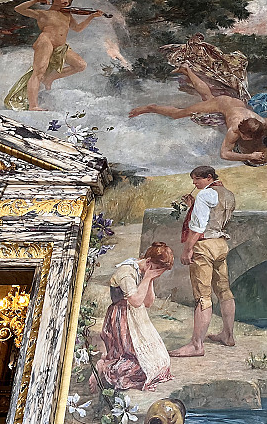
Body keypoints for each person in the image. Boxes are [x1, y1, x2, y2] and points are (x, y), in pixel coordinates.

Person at [128, 64, 267, 164]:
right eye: (245, 136)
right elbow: (224, 154)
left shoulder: (262, 122)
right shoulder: (234, 130)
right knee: (181, 113)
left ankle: (187, 69)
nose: (245, 139)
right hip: (222, 104)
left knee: (206, 95)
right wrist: (249, 156)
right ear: (241, 130)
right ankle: (151, 107)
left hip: (237, 104)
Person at [170, 166, 236, 357]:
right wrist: (193, 205)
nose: (194, 183)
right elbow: (215, 218)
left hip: (204, 246)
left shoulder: (205, 195)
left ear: (208, 177)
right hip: (220, 244)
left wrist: (187, 249)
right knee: (224, 291)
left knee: (203, 296)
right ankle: (228, 335)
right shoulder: (228, 194)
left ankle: (196, 345)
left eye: (197, 179)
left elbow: (199, 227)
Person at [92, 242, 174, 391]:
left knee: (161, 362)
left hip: (137, 318)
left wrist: (149, 279)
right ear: (148, 262)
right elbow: (135, 301)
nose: (156, 274)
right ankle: (103, 367)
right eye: (156, 269)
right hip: (122, 318)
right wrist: (147, 278)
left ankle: (108, 365)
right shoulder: (126, 272)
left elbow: (148, 302)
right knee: (137, 367)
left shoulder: (144, 271)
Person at [4, 0, 103, 111]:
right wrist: (36, 0)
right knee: (39, 72)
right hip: (46, 42)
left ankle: (50, 78)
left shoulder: (67, 15)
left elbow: (77, 28)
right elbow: (18, 9)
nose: (66, 2)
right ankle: (33, 106)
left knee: (80, 65)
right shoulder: (43, 14)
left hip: (61, 46)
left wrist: (91, 17)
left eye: (68, 1)